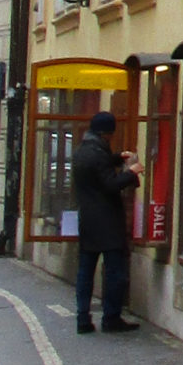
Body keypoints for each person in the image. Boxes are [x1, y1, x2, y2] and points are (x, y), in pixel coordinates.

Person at [70, 112, 141, 335]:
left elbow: (98, 168)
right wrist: (131, 172)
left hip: (88, 221)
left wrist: (118, 157)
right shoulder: (98, 153)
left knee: (85, 272)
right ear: (107, 133)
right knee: (115, 273)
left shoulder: (83, 150)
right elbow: (110, 184)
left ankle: (83, 317)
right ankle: (111, 317)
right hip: (108, 223)